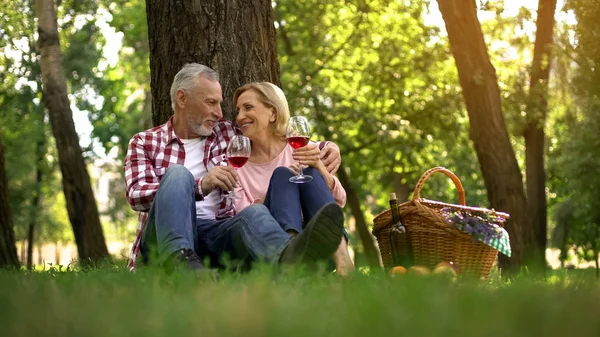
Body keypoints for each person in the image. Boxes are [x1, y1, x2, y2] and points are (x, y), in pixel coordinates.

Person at [124, 63, 344, 273]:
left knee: (255, 212)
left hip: (219, 233)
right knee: (178, 175)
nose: (220, 113)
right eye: (211, 103)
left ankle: (291, 259)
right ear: (182, 98)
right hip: (164, 237)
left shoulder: (227, 134)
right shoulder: (146, 142)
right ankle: (181, 264)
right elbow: (136, 195)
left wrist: (328, 147)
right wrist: (201, 185)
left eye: (220, 104)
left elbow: (271, 135)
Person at [232, 82, 355, 276]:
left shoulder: (298, 145)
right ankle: (291, 255)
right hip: (271, 249)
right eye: (238, 110)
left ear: (273, 113)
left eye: (248, 108)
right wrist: (282, 189)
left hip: (320, 242)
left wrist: (320, 168)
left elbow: (339, 200)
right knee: (282, 175)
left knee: (311, 172)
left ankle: (343, 259)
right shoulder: (237, 165)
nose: (240, 117)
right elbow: (245, 219)